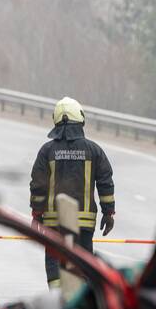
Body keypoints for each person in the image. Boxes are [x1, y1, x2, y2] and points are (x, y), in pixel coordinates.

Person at [30, 97, 116, 287]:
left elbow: (38, 185)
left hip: (54, 222)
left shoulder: (47, 151)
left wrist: (37, 213)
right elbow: (105, 182)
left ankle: (58, 302)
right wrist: (108, 213)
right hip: (83, 224)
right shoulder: (94, 151)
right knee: (83, 264)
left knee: (54, 263)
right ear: (81, 119)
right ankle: (81, 304)